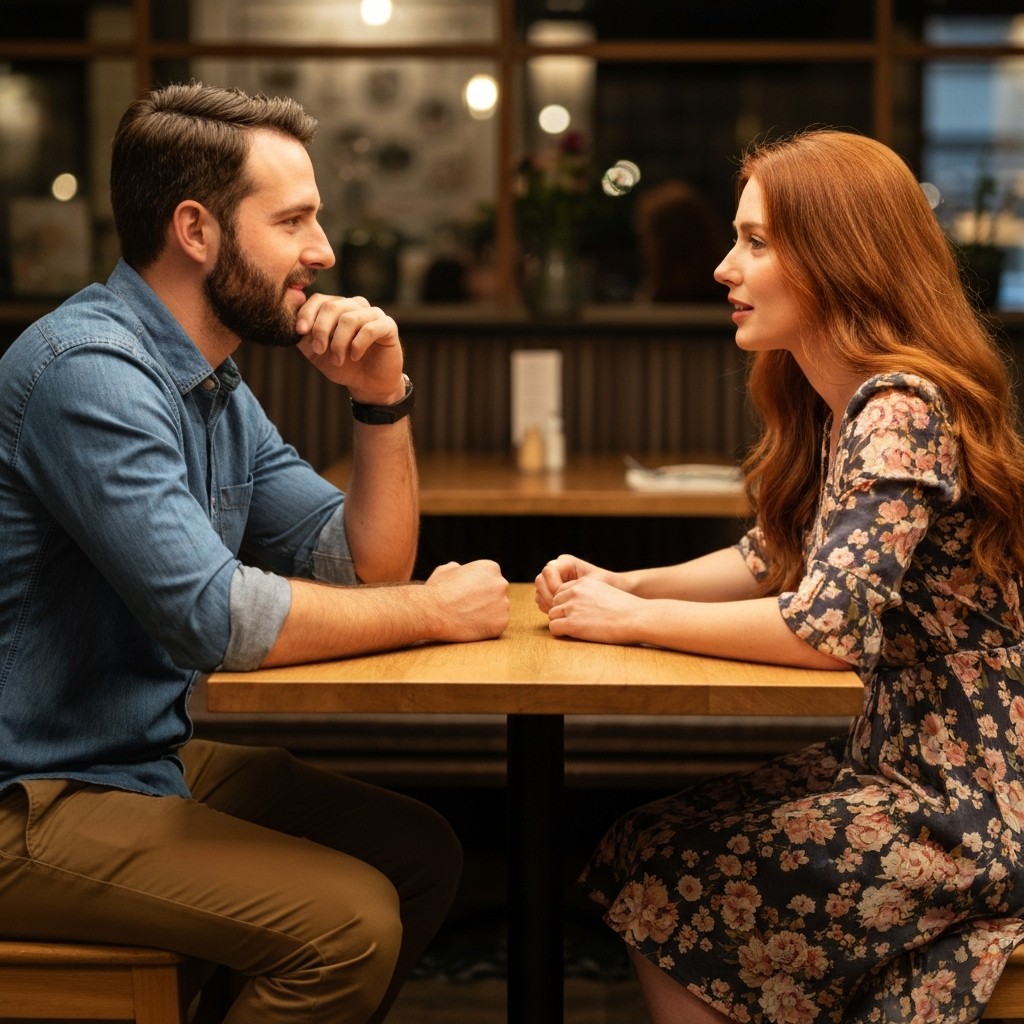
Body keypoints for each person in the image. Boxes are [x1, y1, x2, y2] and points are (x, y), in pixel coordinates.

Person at [0, 83, 509, 1024]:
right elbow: (214, 617)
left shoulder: (212, 381)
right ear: (197, 230)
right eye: (294, 220)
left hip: (136, 761)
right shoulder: (90, 372)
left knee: (420, 853)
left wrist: (380, 399)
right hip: (33, 797)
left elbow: (364, 566)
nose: (323, 249)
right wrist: (437, 614)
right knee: (349, 925)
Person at [535, 129, 1024, 1023]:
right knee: (643, 844)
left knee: (677, 878)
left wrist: (626, 621)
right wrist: (628, 583)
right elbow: (773, 557)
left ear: (840, 257)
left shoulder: (901, 404)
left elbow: (826, 630)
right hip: (900, 764)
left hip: (972, 803)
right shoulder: (839, 401)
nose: (725, 267)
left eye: (755, 242)